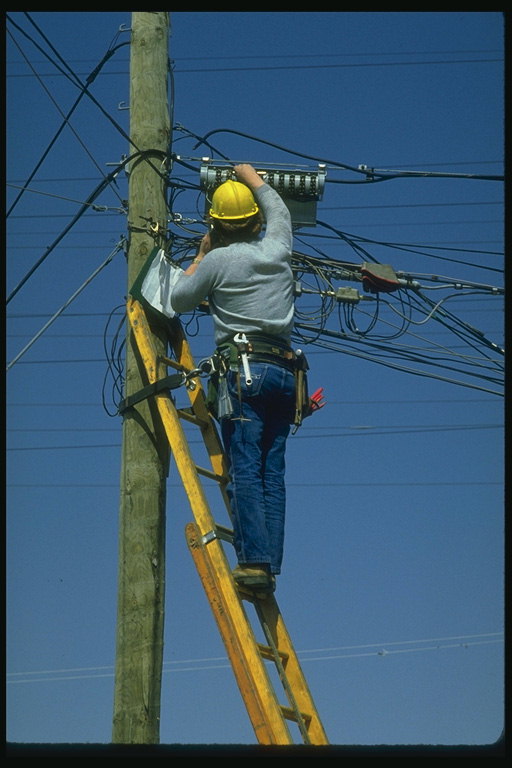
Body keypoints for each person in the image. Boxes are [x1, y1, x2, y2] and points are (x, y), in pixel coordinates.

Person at [170, 164, 323, 592]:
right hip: (286, 377)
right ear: (255, 220)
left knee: (244, 472)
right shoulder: (276, 246)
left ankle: (255, 563)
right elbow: (281, 212)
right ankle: (267, 565)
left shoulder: (218, 261)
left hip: (244, 374)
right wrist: (252, 177)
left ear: (214, 224)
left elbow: (178, 299)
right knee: (272, 474)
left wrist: (201, 253)